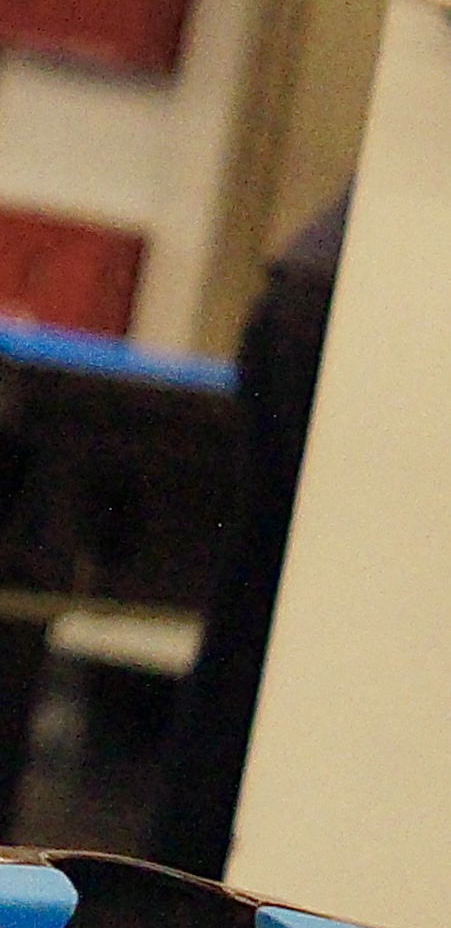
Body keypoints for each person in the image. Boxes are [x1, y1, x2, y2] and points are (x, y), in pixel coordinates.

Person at [145, 187, 350, 877]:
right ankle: (194, 882)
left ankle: (183, 879)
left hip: (308, 298)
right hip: (337, 308)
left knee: (252, 625)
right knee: (269, 632)